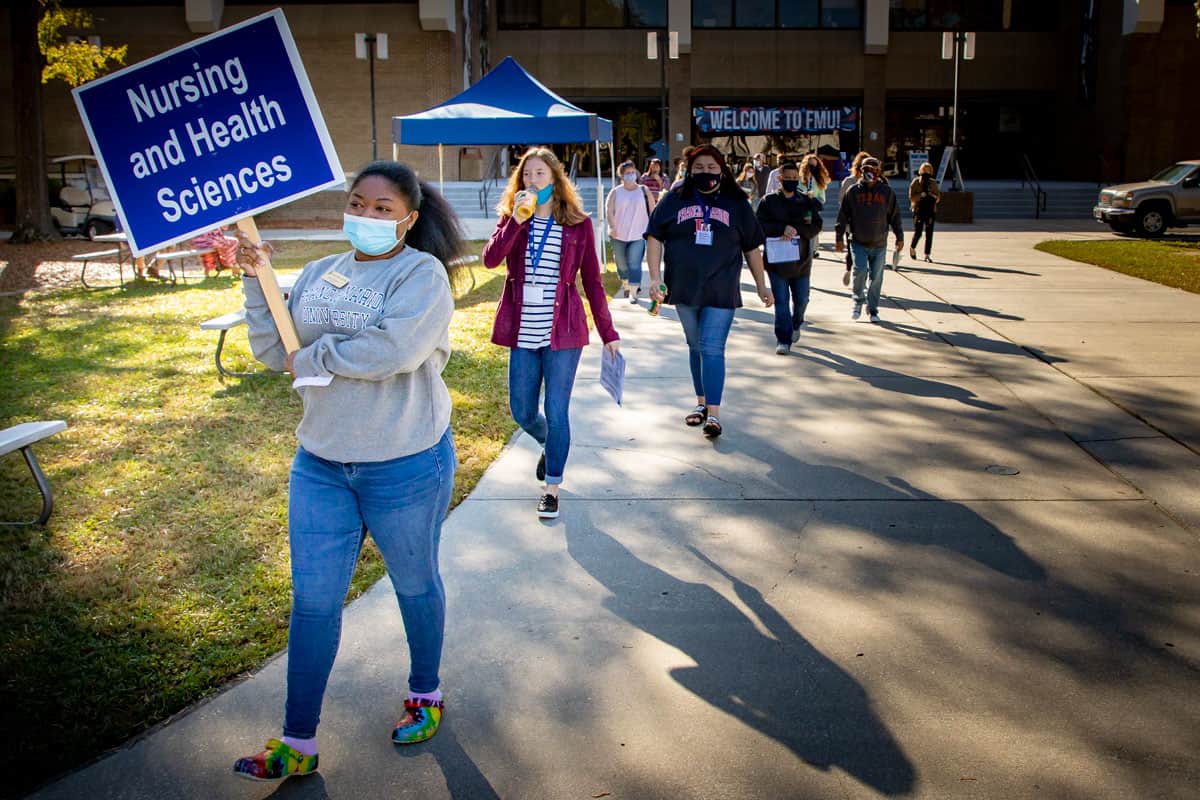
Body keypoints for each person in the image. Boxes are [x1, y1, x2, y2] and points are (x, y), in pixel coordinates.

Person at [231, 160, 467, 782]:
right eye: (358, 204)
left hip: (406, 463)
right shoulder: (318, 273)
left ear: (409, 220)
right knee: (312, 603)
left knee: (415, 584)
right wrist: (257, 282)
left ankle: (425, 692)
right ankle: (297, 741)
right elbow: (271, 348)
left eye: (382, 209)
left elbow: (395, 349)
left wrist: (315, 359)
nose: (365, 216)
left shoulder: (421, 274)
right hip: (322, 464)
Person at [483, 147, 620, 519]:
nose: (532, 181)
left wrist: (608, 332)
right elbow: (491, 260)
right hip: (523, 330)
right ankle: (552, 445)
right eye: (526, 175)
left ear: (555, 179)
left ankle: (552, 488)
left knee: (556, 410)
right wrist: (515, 219)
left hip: (563, 330)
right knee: (523, 411)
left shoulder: (577, 224)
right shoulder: (514, 219)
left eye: (539, 174)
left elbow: (592, 282)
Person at [645, 144, 773, 439]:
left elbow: (752, 247)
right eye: (699, 168)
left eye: (712, 168)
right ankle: (701, 404)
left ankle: (714, 415)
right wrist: (654, 277)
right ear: (689, 170)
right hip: (683, 286)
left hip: (721, 287)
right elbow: (654, 236)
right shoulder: (674, 199)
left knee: (711, 346)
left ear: (722, 170)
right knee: (695, 346)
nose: (706, 173)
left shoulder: (736, 202)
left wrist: (761, 284)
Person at [756, 161, 823, 354]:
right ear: (780, 179)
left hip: (801, 262)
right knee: (782, 301)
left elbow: (815, 225)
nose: (792, 181)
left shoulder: (806, 201)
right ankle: (783, 339)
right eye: (788, 178)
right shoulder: (768, 201)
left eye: (795, 178)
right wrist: (780, 229)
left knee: (802, 299)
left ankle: (796, 323)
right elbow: (759, 225)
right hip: (777, 263)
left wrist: (797, 231)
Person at [835, 157, 903, 324]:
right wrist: (839, 238)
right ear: (860, 170)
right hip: (858, 241)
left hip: (879, 242)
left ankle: (872, 309)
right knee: (860, 271)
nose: (869, 172)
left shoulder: (886, 192)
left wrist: (899, 237)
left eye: (872, 169)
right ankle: (858, 301)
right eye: (866, 169)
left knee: (877, 277)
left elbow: (895, 216)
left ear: (878, 172)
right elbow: (842, 216)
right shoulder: (853, 191)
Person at [607, 159, 656, 303]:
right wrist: (611, 226)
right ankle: (626, 284)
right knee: (621, 264)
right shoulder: (615, 192)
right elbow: (609, 210)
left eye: (633, 172)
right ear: (621, 176)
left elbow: (653, 210)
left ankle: (633, 293)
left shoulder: (643, 190)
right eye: (627, 173)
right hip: (618, 234)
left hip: (638, 234)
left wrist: (653, 228)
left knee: (635, 263)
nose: (631, 175)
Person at [838, 151, 873, 283]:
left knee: (867, 253)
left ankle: (862, 277)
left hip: (870, 225)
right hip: (852, 224)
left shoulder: (874, 183)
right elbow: (842, 201)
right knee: (853, 250)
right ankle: (848, 269)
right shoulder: (849, 182)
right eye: (862, 167)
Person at [908, 161, 941, 262]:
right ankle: (912, 248)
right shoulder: (916, 182)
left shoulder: (933, 183)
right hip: (918, 210)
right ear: (921, 170)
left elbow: (938, 197)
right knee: (918, 232)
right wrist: (920, 195)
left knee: (929, 233)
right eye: (924, 169)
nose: (926, 171)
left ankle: (927, 254)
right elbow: (911, 197)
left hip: (930, 210)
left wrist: (932, 195)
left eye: (928, 169)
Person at [800, 153, 831, 257]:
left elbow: (822, 198)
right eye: (810, 165)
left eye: (814, 165)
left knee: (813, 229)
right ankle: (805, 249)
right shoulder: (800, 179)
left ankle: (812, 250)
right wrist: (804, 195)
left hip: (813, 208)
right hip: (802, 208)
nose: (812, 167)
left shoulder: (819, 181)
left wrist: (814, 198)